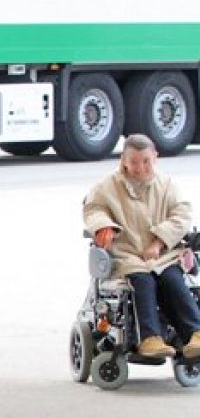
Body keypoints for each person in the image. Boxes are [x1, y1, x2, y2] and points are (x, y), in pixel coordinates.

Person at [84, 133, 200, 360]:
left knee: (173, 280)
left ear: (155, 157)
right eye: (134, 162)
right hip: (126, 253)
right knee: (143, 281)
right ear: (123, 161)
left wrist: (159, 241)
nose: (140, 168)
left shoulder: (167, 185)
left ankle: (195, 333)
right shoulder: (106, 186)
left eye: (146, 161)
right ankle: (149, 339)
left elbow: (182, 214)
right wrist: (103, 226)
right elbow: (93, 209)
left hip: (163, 254)